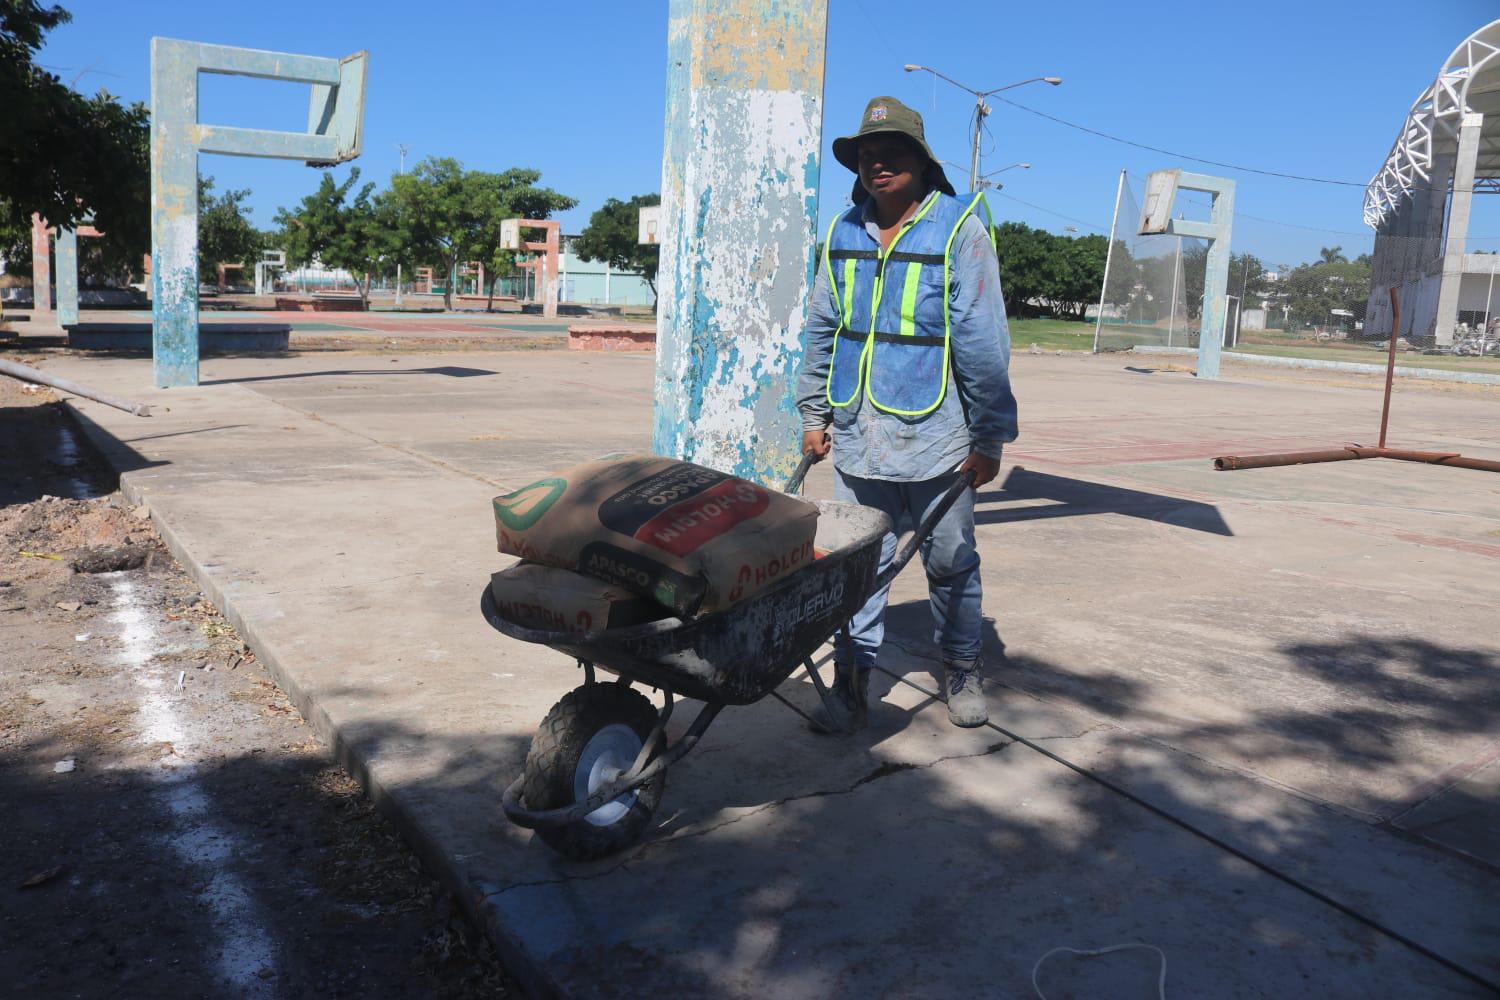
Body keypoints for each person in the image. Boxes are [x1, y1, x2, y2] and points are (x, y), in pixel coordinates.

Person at [796, 96, 1017, 733]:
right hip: (861, 437)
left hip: (941, 441)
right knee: (858, 567)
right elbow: (821, 327)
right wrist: (814, 412)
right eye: (867, 154)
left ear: (922, 162)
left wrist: (990, 436)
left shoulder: (959, 228)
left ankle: (963, 665)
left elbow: (982, 338)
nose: (878, 163)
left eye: (892, 152)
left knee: (950, 561)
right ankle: (852, 684)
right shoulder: (842, 232)